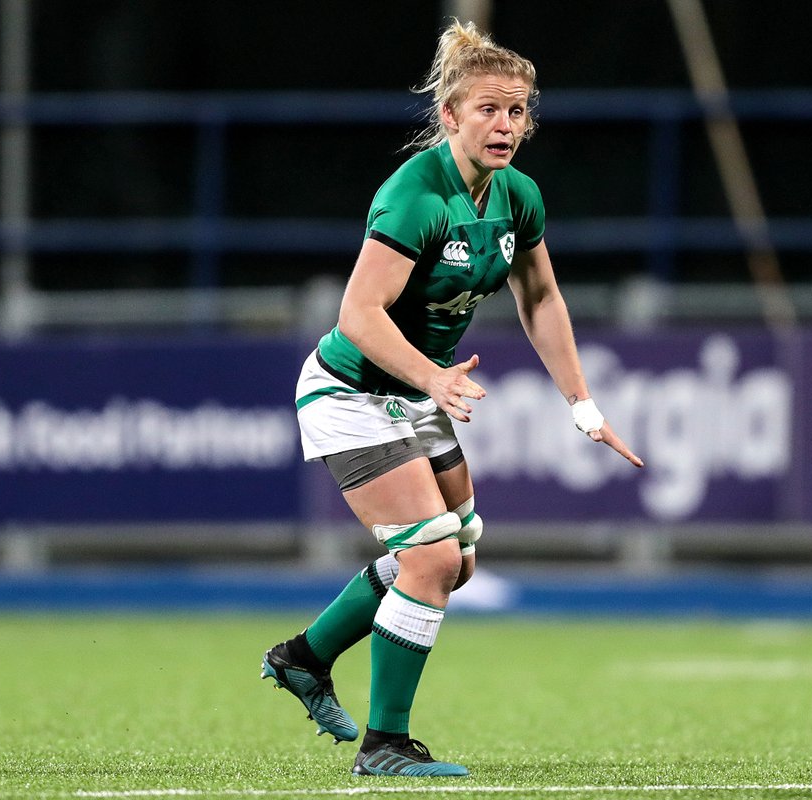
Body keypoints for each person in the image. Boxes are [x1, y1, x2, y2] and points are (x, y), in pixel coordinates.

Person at [260, 18, 644, 778]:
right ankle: (385, 745)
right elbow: (357, 316)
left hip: (413, 392)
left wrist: (583, 405)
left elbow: (541, 299)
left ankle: (305, 657)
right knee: (430, 558)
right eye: (489, 110)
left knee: (457, 561)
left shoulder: (518, 197)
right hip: (353, 391)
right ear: (450, 116)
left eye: (519, 111)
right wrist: (433, 378)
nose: (506, 125)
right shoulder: (414, 196)